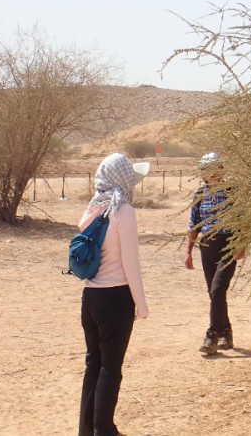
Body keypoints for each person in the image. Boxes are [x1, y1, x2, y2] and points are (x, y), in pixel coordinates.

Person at [78, 153, 151, 436]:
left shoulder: (92, 208)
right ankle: (104, 429)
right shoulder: (124, 211)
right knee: (111, 367)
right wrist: (141, 304)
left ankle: (87, 429)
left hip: (90, 297)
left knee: (93, 363)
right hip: (116, 297)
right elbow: (130, 262)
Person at [184, 151, 245, 355]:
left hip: (227, 245)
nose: (213, 174)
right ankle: (226, 332)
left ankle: (212, 335)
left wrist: (241, 244)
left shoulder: (233, 191)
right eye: (209, 170)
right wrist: (189, 251)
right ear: (203, 173)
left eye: (217, 169)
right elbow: (194, 224)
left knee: (218, 290)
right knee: (214, 293)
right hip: (207, 247)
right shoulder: (200, 194)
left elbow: (242, 220)